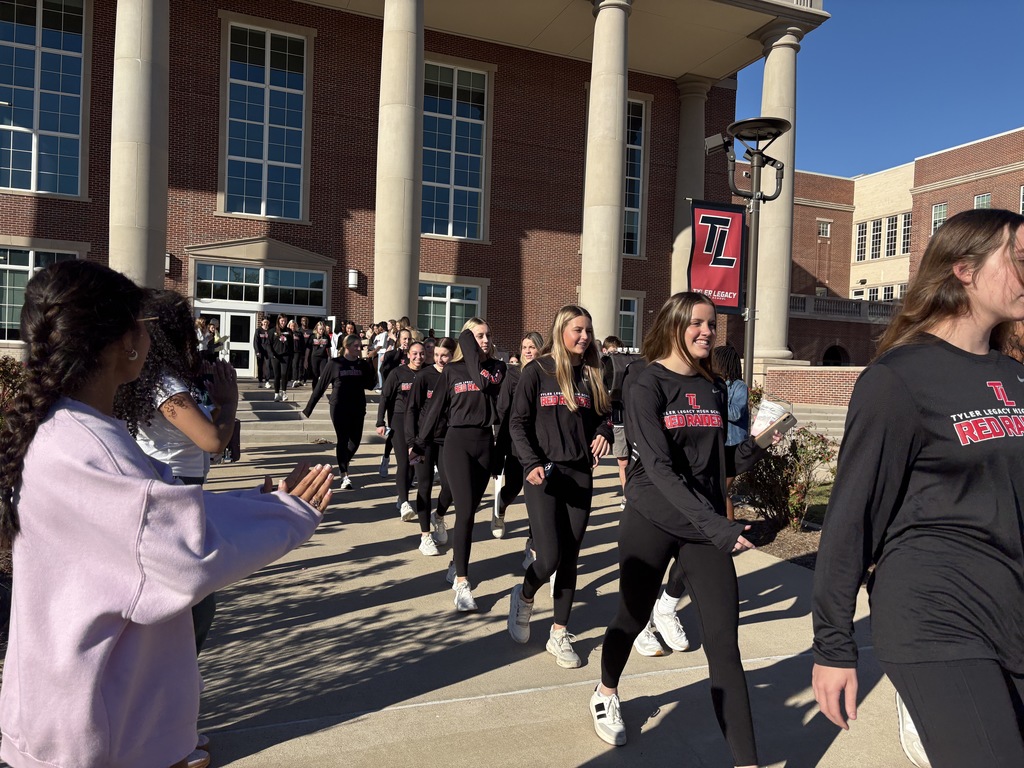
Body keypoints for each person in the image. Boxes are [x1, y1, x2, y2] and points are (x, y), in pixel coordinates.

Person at [0, 260, 333, 768]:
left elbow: (157, 506)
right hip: (105, 727)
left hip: (73, 710)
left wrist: (260, 501)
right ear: (124, 342)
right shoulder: (92, 448)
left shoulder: (63, 429)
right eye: (144, 326)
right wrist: (287, 514)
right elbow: (182, 551)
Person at [811, 208, 1024, 767]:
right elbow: (851, 517)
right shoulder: (898, 378)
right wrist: (834, 646)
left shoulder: (1013, 375)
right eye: (1020, 258)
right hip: (936, 616)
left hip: (1012, 609)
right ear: (964, 270)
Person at [589, 292, 775, 768]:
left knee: (724, 647)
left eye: (712, 324)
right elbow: (658, 466)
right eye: (697, 323)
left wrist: (758, 443)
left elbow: (714, 464)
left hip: (703, 527)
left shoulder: (712, 386)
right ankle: (606, 688)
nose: (707, 332)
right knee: (630, 618)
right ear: (674, 323)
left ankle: (747, 763)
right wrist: (721, 525)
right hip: (653, 517)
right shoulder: (645, 382)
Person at [114, 289, 240, 654]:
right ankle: (172, 685)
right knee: (196, 603)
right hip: (175, 489)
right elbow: (211, 440)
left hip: (181, 485)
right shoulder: (165, 385)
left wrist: (219, 406)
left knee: (192, 600)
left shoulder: (163, 378)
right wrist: (229, 403)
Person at [506, 307, 612, 668]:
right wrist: (530, 463)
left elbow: (604, 416)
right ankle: (523, 595)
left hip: (580, 474)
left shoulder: (593, 374)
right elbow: (517, 424)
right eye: (577, 330)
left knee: (570, 558)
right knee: (548, 557)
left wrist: (603, 433)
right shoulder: (536, 371)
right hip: (544, 475)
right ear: (560, 331)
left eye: (588, 331)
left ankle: (558, 632)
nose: (584, 337)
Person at [411, 318, 507, 612]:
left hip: (484, 444)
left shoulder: (497, 370)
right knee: (464, 512)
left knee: (471, 513)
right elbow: (435, 408)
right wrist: (419, 443)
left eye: (489, 334)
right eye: (478, 335)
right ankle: (463, 583)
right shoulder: (452, 370)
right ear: (466, 339)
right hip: (456, 444)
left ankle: (457, 561)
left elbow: (498, 404)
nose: (486, 339)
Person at [303, 333, 377, 490]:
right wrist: (309, 408)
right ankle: (344, 475)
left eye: (360, 346)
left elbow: (371, 385)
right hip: (339, 407)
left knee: (355, 442)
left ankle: (342, 463)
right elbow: (320, 386)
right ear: (347, 347)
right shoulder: (335, 364)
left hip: (357, 407)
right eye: (356, 346)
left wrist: (370, 362)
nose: (359, 349)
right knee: (343, 439)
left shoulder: (362, 365)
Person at [405, 336, 457, 555]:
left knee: (450, 486)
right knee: (424, 486)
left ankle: (439, 516)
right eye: (436, 354)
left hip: (448, 439)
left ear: (453, 355)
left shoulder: (457, 375)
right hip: (424, 441)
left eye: (444, 355)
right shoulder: (424, 376)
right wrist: (411, 442)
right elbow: (412, 409)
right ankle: (425, 536)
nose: (439, 359)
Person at [493, 331, 544, 542]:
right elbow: (503, 410)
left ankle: (533, 544)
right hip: (516, 442)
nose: (528, 351)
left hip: (541, 443)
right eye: (525, 347)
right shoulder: (513, 374)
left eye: (532, 346)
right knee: (514, 487)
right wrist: (500, 443)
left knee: (538, 495)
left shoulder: (547, 373)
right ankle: (500, 506)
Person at [377, 340, 426, 522]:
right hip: (399, 420)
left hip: (420, 422)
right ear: (408, 354)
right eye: (415, 353)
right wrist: (380, 421)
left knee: (414, 464)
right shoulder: (397, 373)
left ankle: (401, 496)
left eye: (421, 353)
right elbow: (385, 397)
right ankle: (405, 502)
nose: (418, 357)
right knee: (404, 463)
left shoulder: (427, 373)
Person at [601, 335, 642, 510]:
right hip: (618, 420)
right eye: (611, 353)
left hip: (632, 417)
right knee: (623, 462)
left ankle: (635, 494)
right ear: (605, 351)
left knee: (636, 461)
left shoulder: (631, 366)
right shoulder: (603, 366)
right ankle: (626, 495)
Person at [712, 345, 748, 522]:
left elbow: (735, 413)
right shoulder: (715, 384)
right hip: (719, 444)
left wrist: (717, 398)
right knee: (715, 490)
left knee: (722, 491)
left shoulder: (739, 387)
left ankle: (730, 533)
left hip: (734, 447)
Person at [269, 314, 293, 402]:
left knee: (284, 374)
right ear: (278, 321)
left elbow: (291, 345)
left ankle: (284, 393)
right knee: (277, 375)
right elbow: (269, 344)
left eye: (285, 321)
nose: (283, 323)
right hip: (276, 356)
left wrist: (291, 355)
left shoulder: (289, 331)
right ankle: (276, 394)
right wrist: (272, 354)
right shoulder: (272, 331)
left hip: (286, 356)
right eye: (282, 321)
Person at [309, 320, 332, 385]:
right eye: (320, 329)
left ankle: (321, 391)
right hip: (314, 357)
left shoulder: (326, 336)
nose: (321, 331)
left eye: (322, 329)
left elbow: (328, 347)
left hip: (323, 357)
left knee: (323, 375)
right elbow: (308, 348)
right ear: (317, 329)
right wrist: (306, 359)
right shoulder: (313, 336)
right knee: (315, 375)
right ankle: (315, 391)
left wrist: (330, 357)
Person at [253, 316, 271, 387]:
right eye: (264, 322)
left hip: (268, 351)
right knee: (260, 366)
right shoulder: (258, 330)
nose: (265, 323)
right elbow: (255, 341)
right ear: (262, 322)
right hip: (260, 351)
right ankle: (260, 381)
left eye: (267, 322)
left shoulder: (270, 331)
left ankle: (267, 381)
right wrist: (257, 351)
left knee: (268, 366)